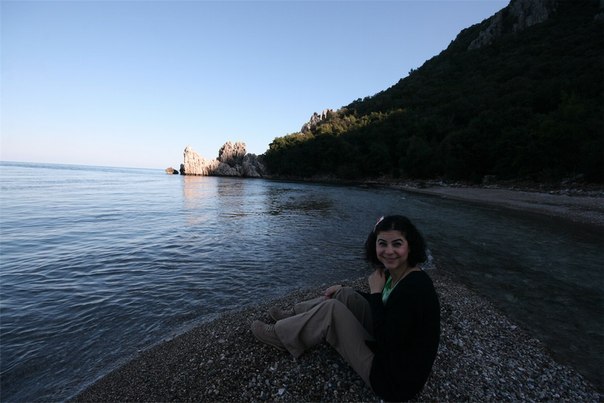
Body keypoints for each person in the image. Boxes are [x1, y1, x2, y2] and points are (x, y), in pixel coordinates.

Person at [251, 215, 441, 401]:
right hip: (391, 350)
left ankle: (281, 336)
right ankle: (295, 315)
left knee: (332, 311)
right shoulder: (399, 273)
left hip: (392, 378)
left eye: (397, 244)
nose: (389, 251)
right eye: (382, 243)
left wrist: (375, 293)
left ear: (410, 246)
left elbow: (387, 340)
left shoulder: (414, 289)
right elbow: (388, 305)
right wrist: (345, 288)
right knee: (345, 294)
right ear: (374, 245)